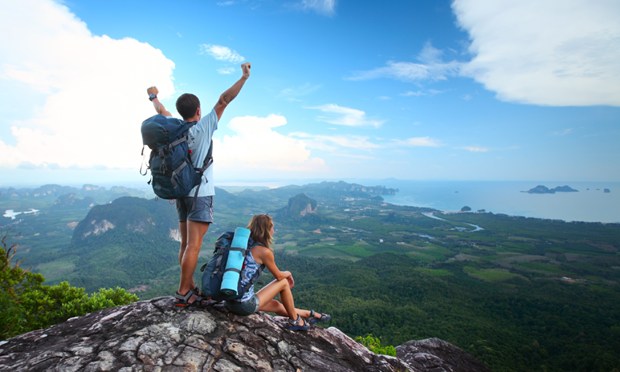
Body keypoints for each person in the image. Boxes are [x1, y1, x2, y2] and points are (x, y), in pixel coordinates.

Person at [146, 63, 251, 307]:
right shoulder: (203, 127)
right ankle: (184, 291)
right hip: (200, 194)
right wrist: (244, 77)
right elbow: (224, 99)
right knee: (194, 245)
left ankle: (188, 283)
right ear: (198, 109)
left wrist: (153, 97)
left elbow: (161, 110)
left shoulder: (175, 130)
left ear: (180, 111)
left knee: (185, 244)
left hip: (180, 193)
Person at [225, 214, 331, 331]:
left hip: (229, 301)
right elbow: (279, 276)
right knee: (284, 282)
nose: (274, 231)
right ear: (266, 230)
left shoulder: (241, 246)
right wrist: (289, 273)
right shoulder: (264, 252)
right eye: (272, 228)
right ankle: (296, 321)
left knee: (275, 305)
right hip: (243, 305)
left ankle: (310, 314)